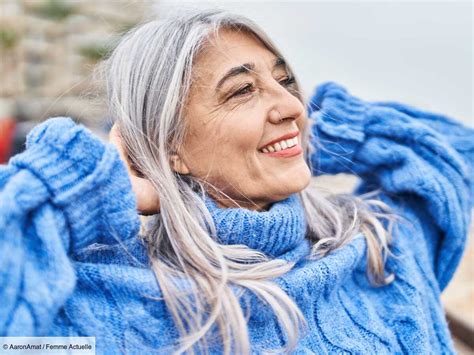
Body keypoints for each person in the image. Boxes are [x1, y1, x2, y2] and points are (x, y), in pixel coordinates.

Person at [1, 9, 473, 354]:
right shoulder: (113, 307)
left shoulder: (379, 245)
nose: (292, 106)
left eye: (285, 82)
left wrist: (330, 131)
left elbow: (456, 154)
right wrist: (86, 192)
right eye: (242, 90)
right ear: (172, 148)